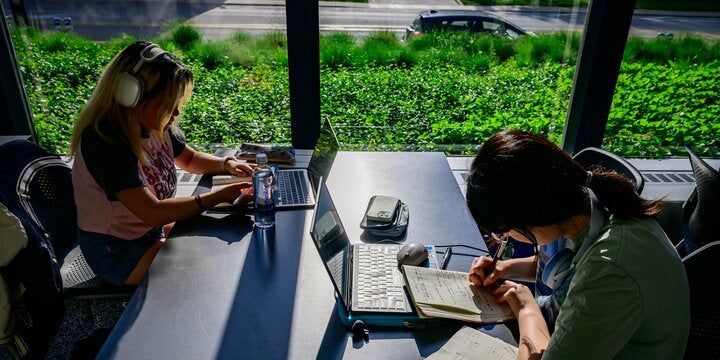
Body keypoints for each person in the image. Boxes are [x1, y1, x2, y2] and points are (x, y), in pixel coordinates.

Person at [466, 130, 690, 359]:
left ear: (533, 217)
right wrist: (508, 267)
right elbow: (562, 263)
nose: (506, 238)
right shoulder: (576, 208)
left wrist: (525, 306)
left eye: (504, 232)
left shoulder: (609, 272)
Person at [68, 41, 254, 286]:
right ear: (132, 96)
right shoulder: (107, 142)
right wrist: (216, 197)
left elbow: (188, 158)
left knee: (210, 249)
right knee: (200, 271)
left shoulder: (154, 125)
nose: (176, 113)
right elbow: (153, 212)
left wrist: (226, 164)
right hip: (116, 251)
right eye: (168, 104)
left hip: (148, 231)